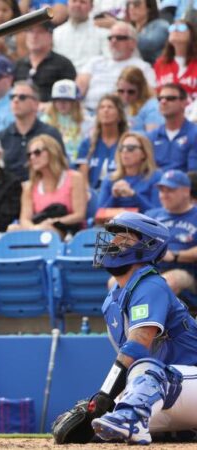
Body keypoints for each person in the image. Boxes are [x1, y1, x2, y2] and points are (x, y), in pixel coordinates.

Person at [52, 212, 197, 445]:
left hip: (187, 380)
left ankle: (133, 420)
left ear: (148, 247)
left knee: (147, 370)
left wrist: (105, 395)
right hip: (172, 395)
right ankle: (175, 430)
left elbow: (136, 349)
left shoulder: (150, 284)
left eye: (124, 240)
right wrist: (98, 408)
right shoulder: (113, 299)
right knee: (100, 427)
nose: (112, 244)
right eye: (114, 238)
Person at [8, 134, 87, 238]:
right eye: (29, 154)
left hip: (68, 230)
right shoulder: (29, 186)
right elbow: (24, 219)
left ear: (52, 152)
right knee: (12, 229)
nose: (32, 157)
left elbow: (79, 215)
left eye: (37, 152)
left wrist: (53, 221)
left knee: (47, 231)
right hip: (39, 228)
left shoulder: (75, 178)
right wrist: (35, 228)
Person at [77, 21, 156, 112]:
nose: (114, 41)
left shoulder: (143, 67)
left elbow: (151, 96)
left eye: (120, 38)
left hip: (122, 114)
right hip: (88, 112)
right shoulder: (95, 62)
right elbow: (78, 90)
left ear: (133, 43)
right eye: (111, 38)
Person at [0, 81, 64, 181]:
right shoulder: (1, 137)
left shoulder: (50, 134)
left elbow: (60, 169)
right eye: (12, 97)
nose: (15, 100)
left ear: (36, 104)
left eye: (22, 97)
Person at [146, 169, 197, 296]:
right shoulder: (151, 216)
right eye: (162, 190)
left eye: (170, 190)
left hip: (187, 271)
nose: (164, 195)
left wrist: (175, 255)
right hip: (152, 269)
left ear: (186, 191)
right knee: (115, 282)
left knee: (167, 282)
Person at [97, 131, 162, 212]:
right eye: (121, 148)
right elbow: (99, 214)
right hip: (114, 223)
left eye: (130, 148)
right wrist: (114, 197)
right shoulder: (110, 179)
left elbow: (158, 213)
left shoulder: (155, 177)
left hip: (142, 224)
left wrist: (133, 195)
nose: (124, 151)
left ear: (144, 153)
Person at [14, 21, 77, 102]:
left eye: (40, 32)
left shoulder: (63, 64)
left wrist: (49, 107)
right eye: (30, 31)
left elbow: (70, 97)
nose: (34, 36)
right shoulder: (19, 64)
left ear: (50, 36)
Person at [76, 93, 128, 188]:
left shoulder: (127, 144)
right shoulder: (87, 143)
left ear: (119, 115)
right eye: (102, 107)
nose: (105, 110)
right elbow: (83, 179)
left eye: (110, 107)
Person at [147, 83, 197, 173]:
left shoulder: (194, 133)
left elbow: (193, 174)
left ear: (184, 103)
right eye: (160, 99)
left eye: (170, 98)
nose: (163, 101)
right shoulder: (152, 136)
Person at [53, 0, 110, 72]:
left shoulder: (102, 33)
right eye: (74, 1)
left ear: (91, 7)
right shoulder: (57, 33)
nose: (77, 5)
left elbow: (108, 61)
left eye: (82, 2)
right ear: (68, 4)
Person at [40, 79, 88, 163]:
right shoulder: (44, 121)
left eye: (67, 100)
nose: (62, 103)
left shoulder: (86, 121)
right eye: (58, 100)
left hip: (79, 162)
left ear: (76, 102)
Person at [154, 21, 197, 102]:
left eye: (181, 28)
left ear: (191, 34)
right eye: (172, 28)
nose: (175, 30)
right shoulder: (160, 63)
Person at [116, 66, 162, 133]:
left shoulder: (152, 107)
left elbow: (153, 136)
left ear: (141, 90)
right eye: (121, 91)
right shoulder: (117, 105)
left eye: (131, 92)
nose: (126, 96)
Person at [126, 0, 169, 64]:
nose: (131, 7)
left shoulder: (161, 25)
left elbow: (147, 45)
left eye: (136, 3)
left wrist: (122, 32)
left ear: (149, 7)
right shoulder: (129, 27)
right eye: (128, 4)